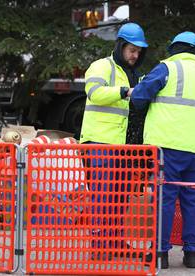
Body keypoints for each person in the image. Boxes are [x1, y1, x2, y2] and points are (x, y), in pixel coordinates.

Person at [129, 31, 195, 269]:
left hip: (167, 147)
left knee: (164, 199)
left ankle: (161, 253)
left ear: (174, 48)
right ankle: (192, 255)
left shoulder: (167, 68)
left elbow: (139, 98)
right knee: (191, 199)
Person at [79, 22, 148, 260]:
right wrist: (124, 91)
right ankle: (99, 246)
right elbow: (95, 93)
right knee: (102, 196)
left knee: (119, 196)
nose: (135, 55)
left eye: (139, 51)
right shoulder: (101, 66)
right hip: (99, 143)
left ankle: (115, 242)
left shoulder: (135, 74)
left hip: (122, 147)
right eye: (131, 50)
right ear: (120, 46)